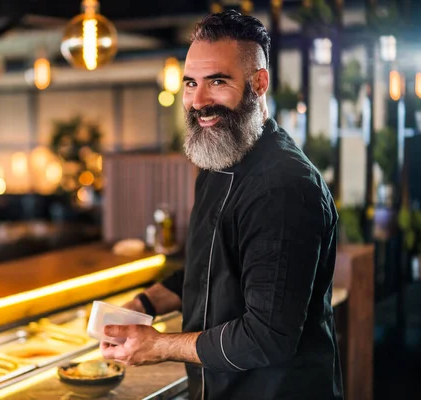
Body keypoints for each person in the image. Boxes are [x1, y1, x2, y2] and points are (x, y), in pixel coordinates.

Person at [100, 10, 343, 400]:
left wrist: (159, 345)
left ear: (258, 83)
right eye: (191, 83)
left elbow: (267, 338)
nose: (198, 101)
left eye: (217, 81)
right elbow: (208, 270)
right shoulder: (218, 163)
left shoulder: (283, 186)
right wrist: (141, 304)